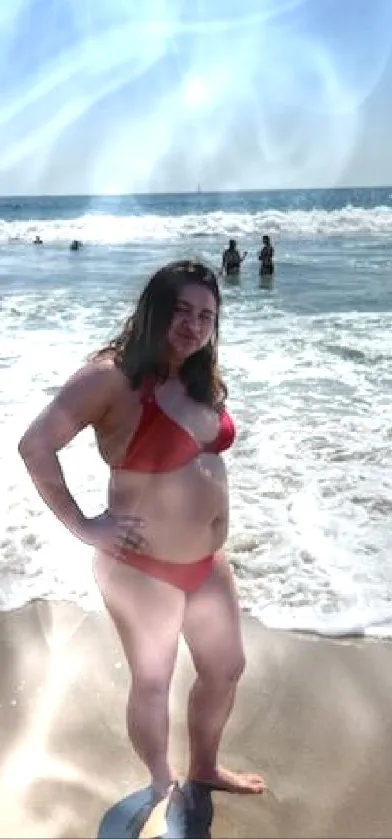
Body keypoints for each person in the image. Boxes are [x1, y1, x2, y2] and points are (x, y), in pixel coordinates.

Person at [18, 260, 266, 820]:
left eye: (206, 315)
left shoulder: (200, 375)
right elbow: (35, 446)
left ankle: (204, 766)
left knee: (224, 669)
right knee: (153, 683)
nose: (193, 324)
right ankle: (161, 783)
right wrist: (85, 526)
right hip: (142, 566)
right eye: (181, 310)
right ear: (154, 309)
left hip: (206, 561)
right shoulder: (112, 377)